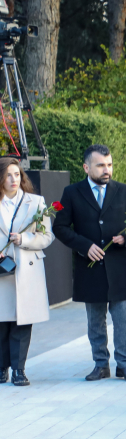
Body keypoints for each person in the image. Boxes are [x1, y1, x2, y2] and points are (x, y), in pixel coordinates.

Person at [53, 145, 126, 382]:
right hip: (89, 267)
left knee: (124, 317)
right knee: (95, 319)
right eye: (101, 165)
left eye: (109, 165)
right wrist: (84, 246)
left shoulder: (124, 191)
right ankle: (100, 364)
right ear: (86, 167)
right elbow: (60, 227)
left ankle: (124, 364)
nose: (107, 170)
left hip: (120, 266)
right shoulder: (72, 193)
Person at [0, 159, 54, 386]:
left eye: (17, 174)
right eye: (9, 175)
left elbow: (47, 236)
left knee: (22, 323)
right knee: (2, 323)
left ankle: (19, 370)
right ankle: (2, 368)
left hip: (25, 270)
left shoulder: (36, 202)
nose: (14, 180)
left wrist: (25, 239)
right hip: (2, 271)